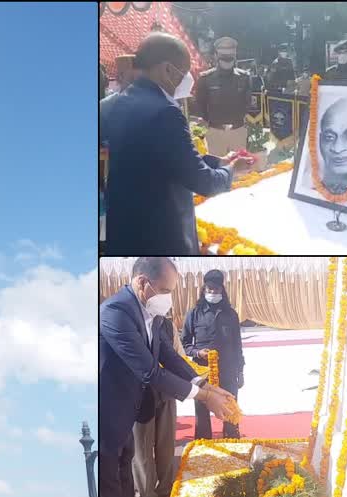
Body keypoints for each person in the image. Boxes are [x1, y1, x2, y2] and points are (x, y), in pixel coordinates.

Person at [99, 258, 235, 497]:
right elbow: (150, 372)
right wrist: (204, 397)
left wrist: (204, 384)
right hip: (109, 412)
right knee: (109, 481)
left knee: (123, 472)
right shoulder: (116, 312)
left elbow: (166, 354)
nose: (168, 299)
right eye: (165, 291)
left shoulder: (152, 313)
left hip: (128, 412)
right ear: (142, 282)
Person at [100, 32, 252, 255]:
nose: (186, 80)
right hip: (161, 237)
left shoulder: (118, 102)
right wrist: (232, 171)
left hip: (125, 230)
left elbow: (161, 159)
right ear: (168, 70)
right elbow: (203, 183)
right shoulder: (166, 111)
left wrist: (216, 161)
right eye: (184, 72)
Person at [181, 269, 244, 440]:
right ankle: (203, 442)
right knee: (202, 408)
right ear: (203, 289)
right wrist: (197, 352)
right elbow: (184, 343)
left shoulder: (230, 315)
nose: (212, 292)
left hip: (228, 370)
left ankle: (232, 440)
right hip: (202, 371)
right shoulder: (194, 314)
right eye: (209, 289)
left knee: (230, 406)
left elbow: (237, 345)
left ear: (222, 290)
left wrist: (240, 371)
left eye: (216, 289)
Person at [132, 308, 184, 497]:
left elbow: (177, 356)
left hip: (166, 391)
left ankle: (166, 489)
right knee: (142, 448)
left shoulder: (167, 325)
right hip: (141, 393)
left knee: (166, 443)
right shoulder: (131, 322)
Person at [195, 36, 251, 157]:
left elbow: (248, 103)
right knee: (218, 170)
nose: (227, 61)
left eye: (230, 57)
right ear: (216, 56)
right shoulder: (205, 79)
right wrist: (207, 122)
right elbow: (200, 104)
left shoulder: (244, 77)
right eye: (223, 57)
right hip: (215, 132)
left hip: (238, 131)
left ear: (235, 56)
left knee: (240, 171)